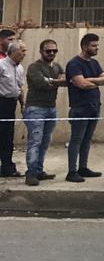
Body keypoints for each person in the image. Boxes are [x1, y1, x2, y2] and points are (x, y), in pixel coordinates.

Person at [65, 33, 104, 183]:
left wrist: (89, 80)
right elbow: (80, 84)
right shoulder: (74, 64)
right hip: (80, 107)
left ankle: (83, 167)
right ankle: (71, 171)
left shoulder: (94, 63)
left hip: (94, 106)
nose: (97, 48)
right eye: (93, 46)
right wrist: (96, 82)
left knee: (87, 139)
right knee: (76, 140)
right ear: (84, 46)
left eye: (97, 45)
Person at [23, 39, 65, 186]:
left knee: (45, 142)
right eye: (48, 51)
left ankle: (39, 171)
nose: (51, 53)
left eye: (54, 51)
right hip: (35, 109)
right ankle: (31, 173)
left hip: (51, 108)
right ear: (41, 51)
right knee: (35, 142)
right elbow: (42, 84)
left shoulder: (57, 66)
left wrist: (52, 80)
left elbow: (66, 81)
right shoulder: (34, 67)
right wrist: (55, 81)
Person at [0, 40, 26, 177]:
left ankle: (7, 167)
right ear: (13, 51)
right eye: (22, 51)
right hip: (1, 102)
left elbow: (20, 88)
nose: (24, 54)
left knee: (7, 137)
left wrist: (23, 104)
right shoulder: (1, 65)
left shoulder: (19, 68)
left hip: (11, 104)